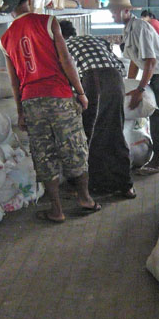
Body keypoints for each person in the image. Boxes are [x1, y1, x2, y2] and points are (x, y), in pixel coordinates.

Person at [0, 0, 101, 223]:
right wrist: (81, 91)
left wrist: (20, 111)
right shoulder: (47, 22)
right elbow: (66, 60)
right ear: (28, 1)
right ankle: (85, 198)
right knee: (74, 146)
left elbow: (14, 82)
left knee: (44, 154)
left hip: (31, 101)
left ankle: (56, 210)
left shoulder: (5, 39)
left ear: (10, 8)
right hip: (59, 96)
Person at [59, 20, 135, 199]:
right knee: (115, 130)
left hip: (93, 80)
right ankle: (125, 185)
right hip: (115, 79)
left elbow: (67, 74)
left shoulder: (63, 46)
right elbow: (115, 60)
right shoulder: (94, 39)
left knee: (90, 132)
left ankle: (95, 185)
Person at [109, 0, 159, 174]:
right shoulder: (128, 29)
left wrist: (140, 89)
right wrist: (130, 84)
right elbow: (135, 60)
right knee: (155, 115)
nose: (112, 15)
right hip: (154, 73)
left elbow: (151, 61)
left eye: (115, 11)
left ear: (126, 10)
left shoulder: (140, 27)